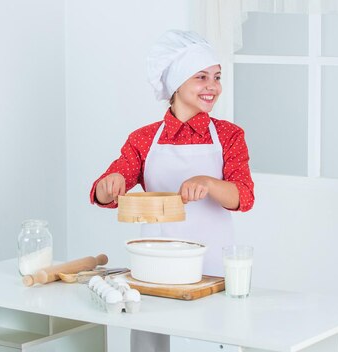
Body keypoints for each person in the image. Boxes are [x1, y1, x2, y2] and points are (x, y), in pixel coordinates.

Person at [90, 30, 255, 352]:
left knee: (211, 339)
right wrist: (108, 187)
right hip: (153, 263)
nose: (213, 86)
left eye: (217, 77)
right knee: (152, 340)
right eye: (201, 76)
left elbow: (243, 197)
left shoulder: (230, 135)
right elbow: (107, 188)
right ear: (177, 82)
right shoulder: (143, 138)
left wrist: (208, 183)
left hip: (211, 265)